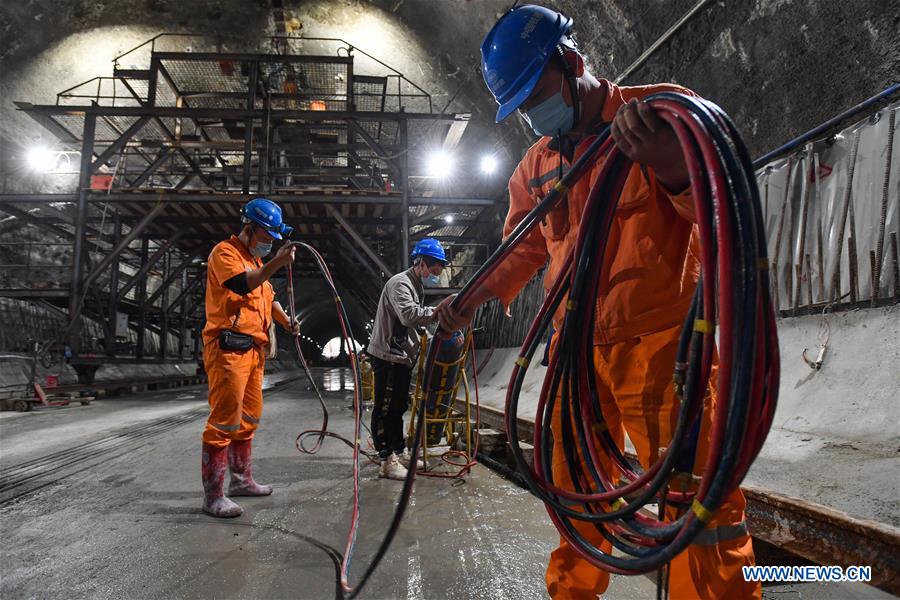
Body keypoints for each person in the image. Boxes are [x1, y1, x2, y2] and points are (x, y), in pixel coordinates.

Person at [436, 5, 760, 599]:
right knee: (575, 495)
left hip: (661, 351)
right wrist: (468, 299)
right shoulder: (536, 166)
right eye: (524, 106)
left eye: (539, 94)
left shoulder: (660, 116)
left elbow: (725, 217)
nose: (537, 115)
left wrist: (668, 165)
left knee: (696, 509)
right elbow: (521, 247)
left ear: (573, 61)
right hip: (575, 358)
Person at [200, 198, 301, 518]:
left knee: (248, 419)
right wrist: (278, 263)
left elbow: (267, 298)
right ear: (250, 227)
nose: (271, 242)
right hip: (228, 349)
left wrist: (288, 322)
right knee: (224, 422)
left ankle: (241, 480)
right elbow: (242, 285)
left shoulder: (257, 266)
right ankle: (213, 496)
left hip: (254, 353)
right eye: (268, 236)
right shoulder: (225, 254)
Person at [366, 238, 446, 480]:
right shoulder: (400, 283)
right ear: (420, 262)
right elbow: (409, 315)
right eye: (433, 267)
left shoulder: (415, 285)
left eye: (439, 268)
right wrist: (440, 310)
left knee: (398, 407)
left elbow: (414, 325)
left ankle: (399, 452)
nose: (436, 273)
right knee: (386, 409)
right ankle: (386, 459)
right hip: (388, 355)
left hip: (400, 358)